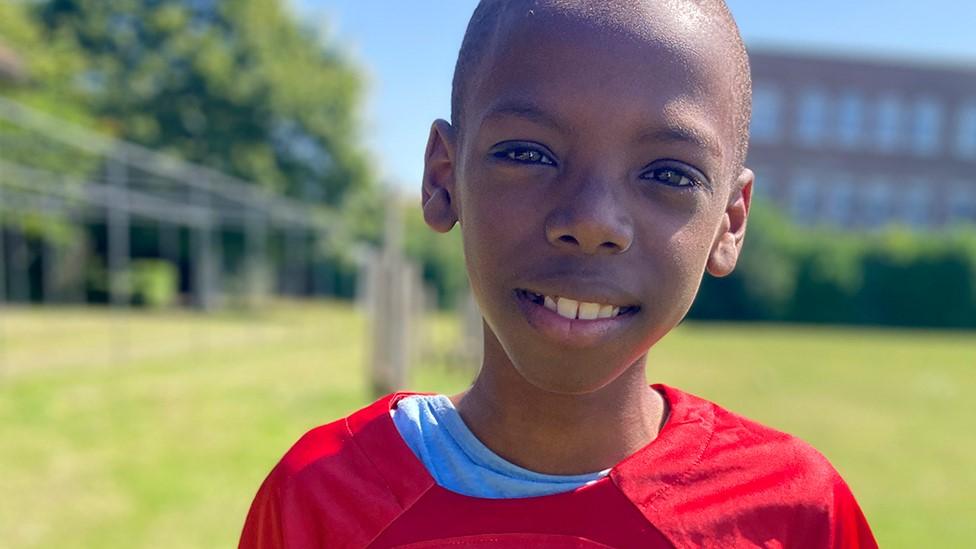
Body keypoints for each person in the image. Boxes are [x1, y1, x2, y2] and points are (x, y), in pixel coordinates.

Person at [240, 1, 878, 547]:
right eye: (527, 153)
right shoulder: (320, 498)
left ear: (729, 222)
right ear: (443, 178)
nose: (593, 220)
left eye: (669, 173)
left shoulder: (796, 514)